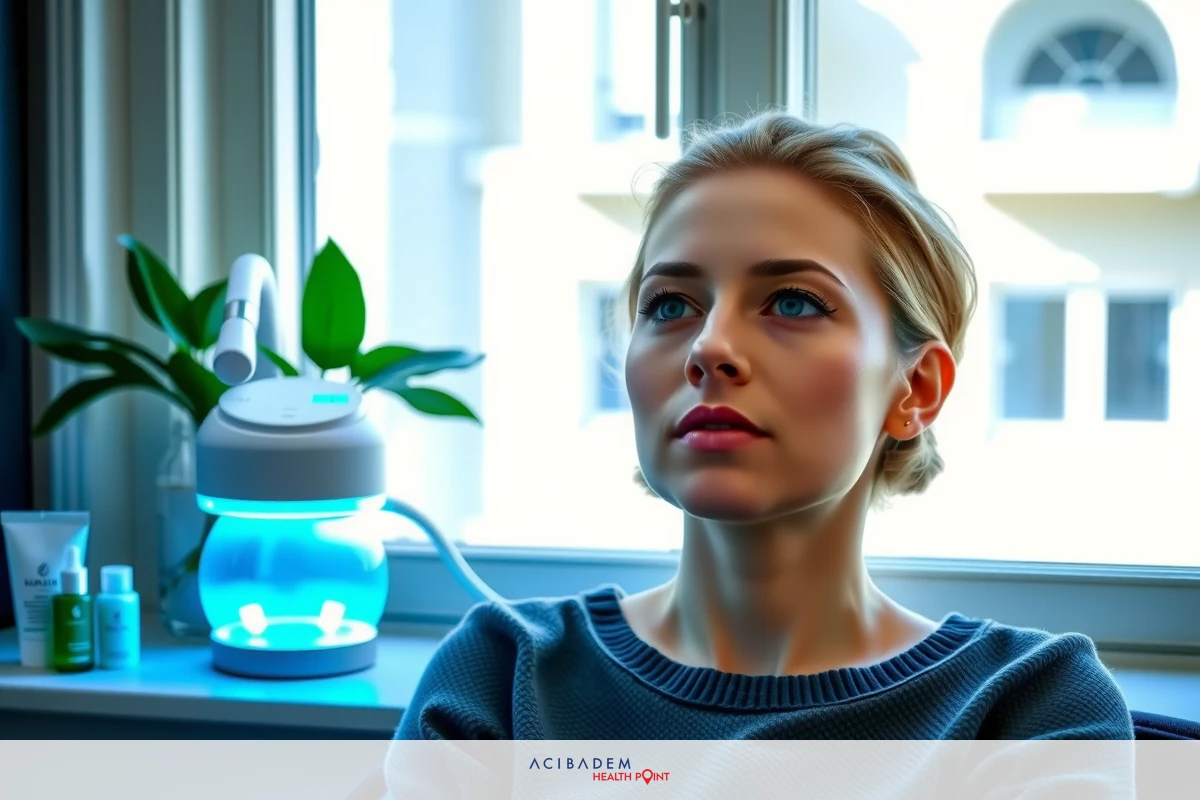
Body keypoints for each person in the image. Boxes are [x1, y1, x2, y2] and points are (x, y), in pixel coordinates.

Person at [391, 112, 1134, 742]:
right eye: (670, 306)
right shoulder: (503, 676)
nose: (709, 347)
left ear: (916, 387)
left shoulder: (1029, 707)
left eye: (794, 302)